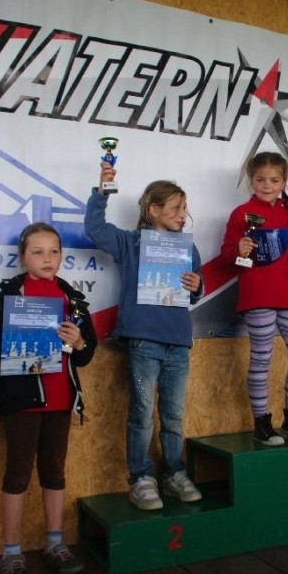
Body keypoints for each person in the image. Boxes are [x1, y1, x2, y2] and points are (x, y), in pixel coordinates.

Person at [0, 222, 97, 574]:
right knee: (18, 473)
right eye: (38, 252)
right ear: (22, 258)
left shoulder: (73, 298)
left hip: (60, 402)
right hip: (21, 404)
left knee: (54, 471)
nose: (48, 258)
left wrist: (78, 342)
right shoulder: (9, 297)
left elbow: (86, 354)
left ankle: (54, 544)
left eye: (54, 251)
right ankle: (11, 553)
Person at [85, 162, 204, 511]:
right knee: (141, 414)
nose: (182, 215)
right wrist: (102, 191)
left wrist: (197, 287)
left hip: (178, 343)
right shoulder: (130, 242)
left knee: (173, 415)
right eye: (175, 208)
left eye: (184, 208)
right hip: (143, 343)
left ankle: (174, 473)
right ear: (153, 210)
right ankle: (140, 478)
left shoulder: (188, 249)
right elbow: (95, 228)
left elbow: (193, 291)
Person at [220, 151, 288, 446]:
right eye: (261, 180)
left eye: (274, 180)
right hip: (257, 295)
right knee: (261, 359)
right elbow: (226, 257)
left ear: (283, 182)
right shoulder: (241, 214)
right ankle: (261, 423)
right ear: (252, 180)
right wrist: (238, 250)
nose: (267, 185)